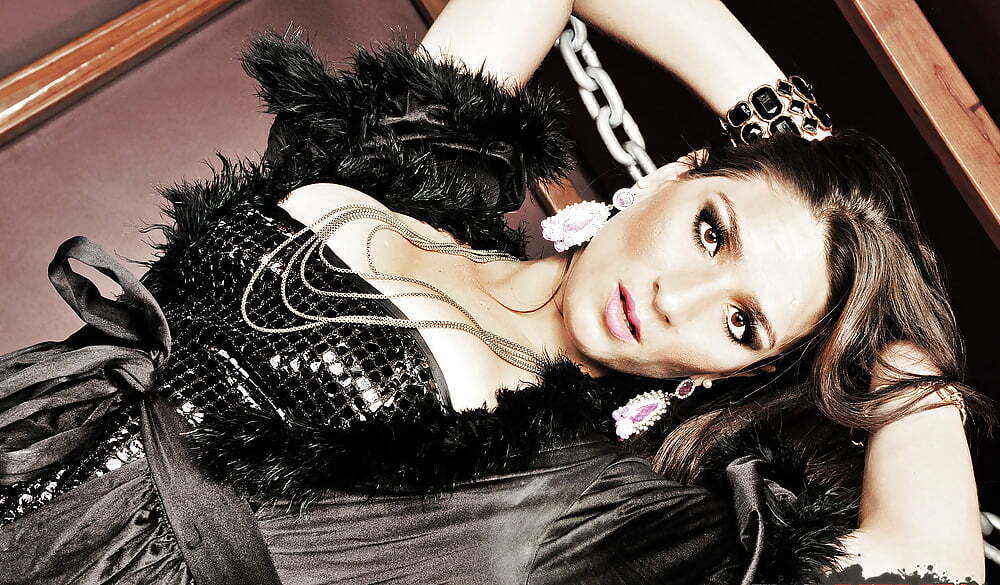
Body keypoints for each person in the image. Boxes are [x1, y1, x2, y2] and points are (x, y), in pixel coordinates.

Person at [0, 1, 993, 584]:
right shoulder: (402, 174)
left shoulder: (587, 499)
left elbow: (929, 566)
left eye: (741, 322)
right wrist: (789, 126)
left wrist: (902, 334)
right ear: (674, 171)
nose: (678, 300)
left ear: (741, 370)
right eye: (711, 229)